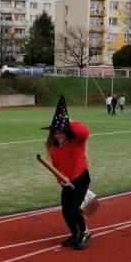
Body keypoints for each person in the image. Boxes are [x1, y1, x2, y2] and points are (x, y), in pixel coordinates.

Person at [43, 96, 91, 250]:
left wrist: (69, 122)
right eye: (55, 132)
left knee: (74, 210)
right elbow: (56, 167)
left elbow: (84, 131)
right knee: (65, 211)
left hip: (81, 179)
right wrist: (62, 179)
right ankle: (75, 234)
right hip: (66, 181)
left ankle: (85, 233)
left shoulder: (77, 142)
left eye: (61, 132)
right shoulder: (53, 148)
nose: (58, 135)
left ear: (67, 132)